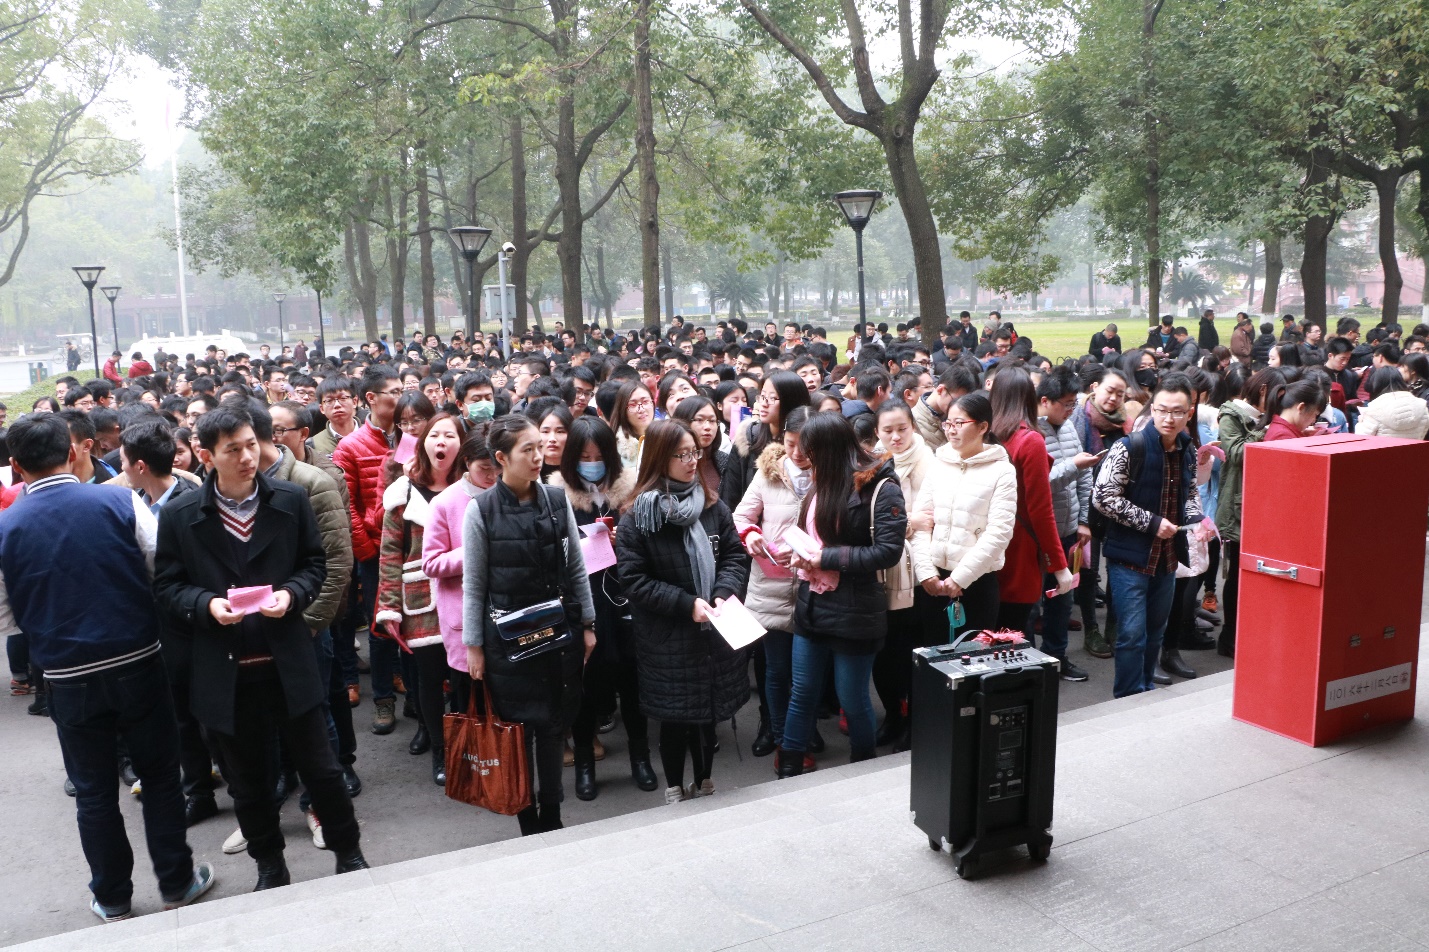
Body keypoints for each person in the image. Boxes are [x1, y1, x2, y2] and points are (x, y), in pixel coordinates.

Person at [0, 414, 216, 922]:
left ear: (15, 466)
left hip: (66, 676)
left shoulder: (6, 527)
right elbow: (160, 567)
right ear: (73, 453)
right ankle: (177, 882)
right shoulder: (119, 502)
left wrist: (46, 619)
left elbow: (5, 614)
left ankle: (113, 896)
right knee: (160, 777)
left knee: (94, 792)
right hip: (139, 660)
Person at [153, 404, 367, 889]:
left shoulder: (289, 499)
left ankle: (349, 852)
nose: (248, 457)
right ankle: (270, 865)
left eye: (251, 445)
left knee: (322, 770)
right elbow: (167, 585)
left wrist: (291, 594)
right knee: (248, 783)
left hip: (288, 659)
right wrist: (206, 604)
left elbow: (315, 564)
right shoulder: (182, 514)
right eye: (233, 450)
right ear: (207, 456)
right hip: (225, 671)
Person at [462, 415, 596, 835]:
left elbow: (576, 566)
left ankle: (553, 812)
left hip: (557, 632)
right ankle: (526, 817)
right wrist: (473, 646)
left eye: (540, 446)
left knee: (554, 725)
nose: (539, 456)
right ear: (501, 458)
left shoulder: (556, 500)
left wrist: (587, 622)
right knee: (517, 732)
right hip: (506, 642)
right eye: (528, 449)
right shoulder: (480, 509)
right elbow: (474, 585)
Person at [616, 419, 750, 800]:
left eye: (695, 453)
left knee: (708, 713)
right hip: (668, 638)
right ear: (660, 458)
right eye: (682, 455)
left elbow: (734, 556)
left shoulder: (712, 505)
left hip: (712, 630)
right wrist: (685, 603)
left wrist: (722, 593)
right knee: (674, 718)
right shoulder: (638, 518)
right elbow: (634, 580)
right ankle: (674, 786)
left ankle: (705, 780)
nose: (692, 462)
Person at [777, 412, 906, 776]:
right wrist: (799, 553)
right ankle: (789, 763)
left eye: (811, 453)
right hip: (813, 603)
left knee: (852, 697)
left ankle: (861, 768)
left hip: (855, 611)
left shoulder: (880, 486)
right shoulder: (822, 481)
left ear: (830, 451)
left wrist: (826, 558)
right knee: (802, 690)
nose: (806, 461)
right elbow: (813, 535)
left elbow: (887, 552)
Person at [547, 416, 656, 800]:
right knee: (586, 686)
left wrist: (622, 538)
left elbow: (650, 547)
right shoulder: (556, 496)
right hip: (582, 601)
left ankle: (641, 758)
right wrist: (582, 544)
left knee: (632, 681)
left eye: (598, 457)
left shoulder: (631, 490)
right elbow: (550, 552)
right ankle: (585, 766)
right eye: (584, 457)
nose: (592, 464)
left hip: (625, 599)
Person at [1092, 373, 1205, 697]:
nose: (1169, 418)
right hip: (1128, 560)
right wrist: (1153, 523)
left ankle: (1146, 691)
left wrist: (1196, 519)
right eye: (1162, 410)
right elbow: (1103, 497)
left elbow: (1190, 491)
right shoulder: (1130, 447)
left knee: (1156, 632)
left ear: (1189, 413)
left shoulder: (1187, 449)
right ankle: (1128, 698)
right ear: (1152, 409)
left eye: (1177, 412)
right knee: (1131, 635)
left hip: (1166, 560)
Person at [375, 413, 463, 785]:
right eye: (434, 435)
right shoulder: (402, 492)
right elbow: (389, 555)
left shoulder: (471, 486)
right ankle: (440, 751)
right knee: (429, 678)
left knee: (464, 678)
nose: (441, 441)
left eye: (450, 435)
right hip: (420, 601)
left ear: (461, 443)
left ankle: (466, 748)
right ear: (423, 442)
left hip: (465, 596)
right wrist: (388, 608)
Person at [733, 406, 816, 770]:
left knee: (808, 674)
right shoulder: (768, 473)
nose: (798, 453)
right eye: (791, 443)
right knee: (777, 670)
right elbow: (741, 515)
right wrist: (751, 534)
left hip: (814, 587)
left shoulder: (830, 474)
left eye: (806, 446)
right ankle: (783, 738)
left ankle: (803, 733)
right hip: (771, 585)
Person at [332, 365, 406, 734]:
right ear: (371, 398)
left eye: (402, 389)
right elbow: (348, 507)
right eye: (394, 391)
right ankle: (382, 700)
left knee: (414, 621)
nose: (401, 396)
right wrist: (367, 551)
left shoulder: (413, 436)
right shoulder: (351, 446)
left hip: (413, 547)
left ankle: (410, 687)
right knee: (380, 627)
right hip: (377, 552)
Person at [910, 389, 1017, 638]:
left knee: (973, 654)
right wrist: (926, 572)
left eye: (959, 423)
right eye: (948, 423)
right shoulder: (939, 462)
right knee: (933, 652)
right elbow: (922, 521)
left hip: (977, 581)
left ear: (982, 427)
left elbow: (999, 532)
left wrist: (960, 578)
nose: (951, 430)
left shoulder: (1002, 471)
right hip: (934, 581)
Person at [868, 400, 936, 751]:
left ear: (913, 427)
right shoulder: (870, 463)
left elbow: (933, 519)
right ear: (877, 432)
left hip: (919, 574)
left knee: (912, 649)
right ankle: (892, 715)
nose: (895, 437)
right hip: (881, 570)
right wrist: (908, 522)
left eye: (902, 429)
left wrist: (900, 524)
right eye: (888, 430)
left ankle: (914, 721)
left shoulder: (930, 463)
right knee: (883, 652)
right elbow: (871, 521)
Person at [989, 368, 1075, 632]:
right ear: (1029, 397)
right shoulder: (1029, 441)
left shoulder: (985, 435)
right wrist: (1059, 565)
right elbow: (1041, 510)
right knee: (1012, 636)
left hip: (985, 547)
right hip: (1019, 551)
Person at [422, 422, 498, 709]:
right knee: (471, 702)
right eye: (484, 468)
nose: (492, 476)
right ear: (467, 462)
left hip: (506, 614)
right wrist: (475, 551)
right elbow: (431, 563)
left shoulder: (510, 494)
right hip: (464, 618)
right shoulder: (445, 502)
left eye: (497, 468)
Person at [1035, 367, 1097, 681]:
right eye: (1066, 404)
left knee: (1063, 598)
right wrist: (1072, 464)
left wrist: (1084, 520)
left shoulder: (1070, 427)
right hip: (1038, 535)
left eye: (1074, 403)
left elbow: (1084, 477)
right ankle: (1031, 665)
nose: (1071, 410)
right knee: (1032, 604)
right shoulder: (1031, 432)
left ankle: (1057, 658)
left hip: (1069, 530)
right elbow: (1038, 485)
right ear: (1045, 401)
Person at [1356, 367, 1429, 439]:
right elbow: (1423, 434)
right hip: (1414, 447)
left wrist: (1361, 423)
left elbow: (1362, 439)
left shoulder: (1374, 409)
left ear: (1377, 385)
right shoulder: (1422, 406)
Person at [608, 379, 656, 469]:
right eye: (632, 405)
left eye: (645, 402)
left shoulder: (666, 436)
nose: (641, 409)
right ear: (622, 410)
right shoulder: (614, 447)